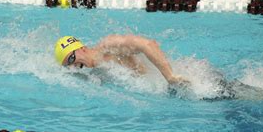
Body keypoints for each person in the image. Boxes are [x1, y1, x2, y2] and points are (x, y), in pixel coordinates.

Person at [54, 35, 188, 85]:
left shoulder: (108, 47)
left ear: (82, 48)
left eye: (71, 58)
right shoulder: (95, 71)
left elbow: (148, 44)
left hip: (168, 81)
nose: (74, 65)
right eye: (68, 65)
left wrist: (170, 76)